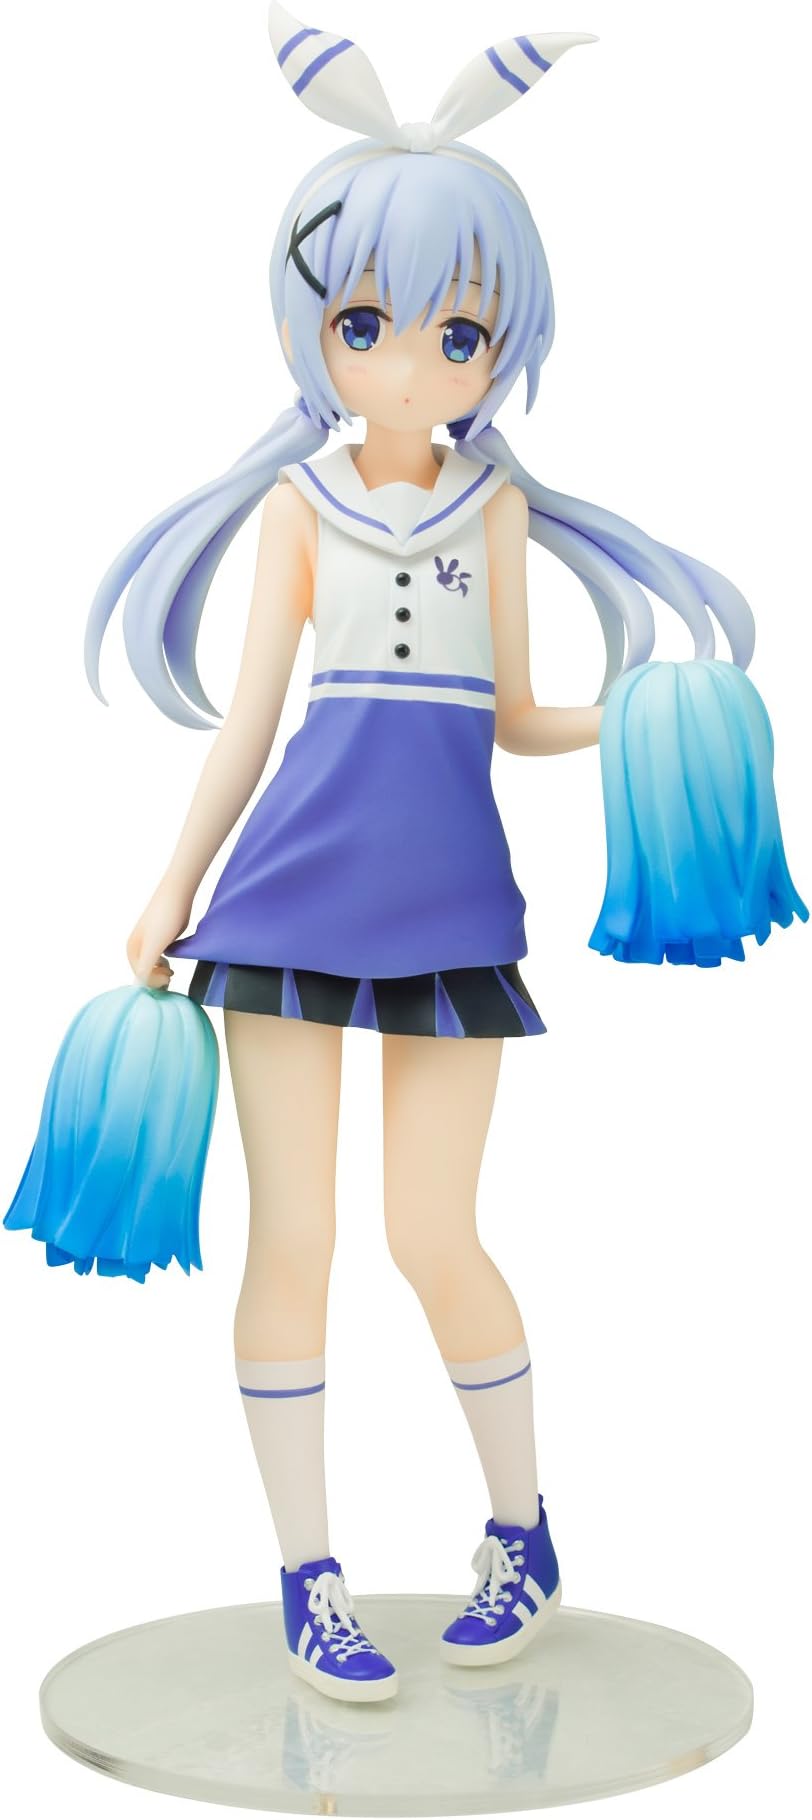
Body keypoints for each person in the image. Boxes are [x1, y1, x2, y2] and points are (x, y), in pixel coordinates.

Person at [77, 8, 799, 1702]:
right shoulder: (297, 509)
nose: (411, 366)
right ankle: (306, 1575)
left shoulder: (494, 508)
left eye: (458, 330)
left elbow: (511, 716)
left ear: (500, 345)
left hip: (456, 911)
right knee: (295, 1244)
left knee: (433, 1234)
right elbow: (250, 726)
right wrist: (173, 882)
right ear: (313, 332)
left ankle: (523, 1532)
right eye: (367, 323)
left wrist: (642, 718)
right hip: (282, 904)